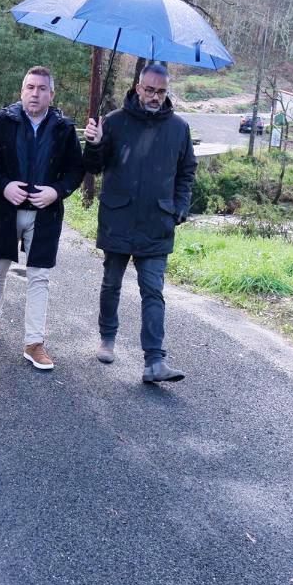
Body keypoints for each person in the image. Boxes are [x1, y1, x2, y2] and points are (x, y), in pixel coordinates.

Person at [82, 64, 197, 383]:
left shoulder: (179, 128)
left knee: (153, 291)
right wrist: (94, 142)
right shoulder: (114, 122)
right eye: (149, 90)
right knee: (111, 283)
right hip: (118, 216)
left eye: (161, 92)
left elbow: (187, 172)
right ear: (137, 87)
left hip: (157, 222)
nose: (154, 97)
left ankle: (154, 361)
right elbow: (93, 167)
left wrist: (179, 209)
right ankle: (107, 338)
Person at [0, 66, 84, 371]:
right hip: (6, 209)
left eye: (41, 89)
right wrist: (3, 184)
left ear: (51, 94)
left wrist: (57, 191)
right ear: (22, 90)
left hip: (45, 214)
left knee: (39, 276)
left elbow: (76, 170)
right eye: (30, 87)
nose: (35, 94)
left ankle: (34, 342)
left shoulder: (63, 128)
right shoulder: (2, 121)